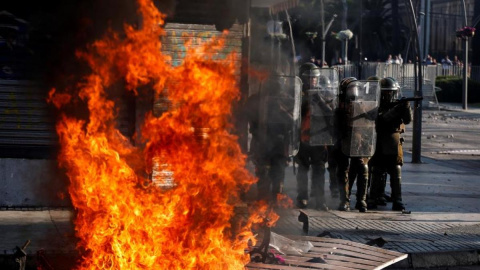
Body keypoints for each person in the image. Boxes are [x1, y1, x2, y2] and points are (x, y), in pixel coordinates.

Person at [246, 74, 292, 204]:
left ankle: (276, 197)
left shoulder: (286, 100)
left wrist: (281, 108)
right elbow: (248, 117)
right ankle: (262, 198)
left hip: (279, 142)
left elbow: (292, 121)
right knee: (262, 171)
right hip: (261, 141)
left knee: (278, 172)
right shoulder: (256, 100)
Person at [333, 77, 378, 213]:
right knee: (343, 170)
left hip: (360, 142)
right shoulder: (339, 104)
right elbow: (335, 124)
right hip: (344, 140)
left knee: (363, 168)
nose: (354, 92)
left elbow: (372, 119)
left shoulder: (364, 104)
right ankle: (344, 200)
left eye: (356, 88)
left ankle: (361, 200)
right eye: (351, 89)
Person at [369, 77, 412, 211]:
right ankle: (373, 197)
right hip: (380, 143)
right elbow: (382, 119)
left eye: (391, 92)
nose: (389, 95)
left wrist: (406, 107)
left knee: (396, 172)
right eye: (386, 92)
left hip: (394, 143)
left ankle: (397, 200)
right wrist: (397, 109)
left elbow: (407, 120)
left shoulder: (398, 105)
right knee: (377, 171)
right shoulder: (377, 105)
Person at [294, 62, 329, 210]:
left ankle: (319, 200)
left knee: (319, 170)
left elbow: (330, 114)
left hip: (318, 139)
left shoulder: (323, 94)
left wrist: (319, 100)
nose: (312, 81)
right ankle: (302, 197)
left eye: (314, 78)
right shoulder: (296, 94)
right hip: (302, 139)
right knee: (302, 169)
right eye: (309, 78)